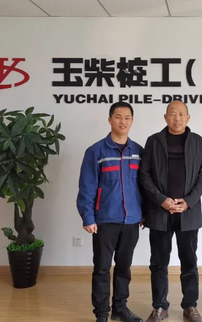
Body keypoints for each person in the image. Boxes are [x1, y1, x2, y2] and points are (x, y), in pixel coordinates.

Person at [139, 100, 202, 322]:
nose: (177, 118)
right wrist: (161, 200)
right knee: (159, 262)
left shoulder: (198, 142)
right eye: (172, 114)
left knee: (189, 261)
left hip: (188, 212)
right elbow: (144, 175)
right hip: (160, 211)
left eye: (181, 114)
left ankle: (190, 306)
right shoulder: (154, 141)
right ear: (165, 117)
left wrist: (188, 201)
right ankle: (160, 306)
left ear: (188, 117)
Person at [77, 102, 144, 322]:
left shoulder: (139, 152)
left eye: (127, 117)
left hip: (131, 220)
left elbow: (144, 186)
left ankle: (120, 308)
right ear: (109, 119)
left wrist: (144, 213)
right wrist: (88, 217)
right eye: (118, 117)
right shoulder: (96, 151)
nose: (123, 121)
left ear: (132, 121)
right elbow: (87, 187)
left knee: (124, 267)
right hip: (105, 219)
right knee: (102, 268)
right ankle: (102, 313)